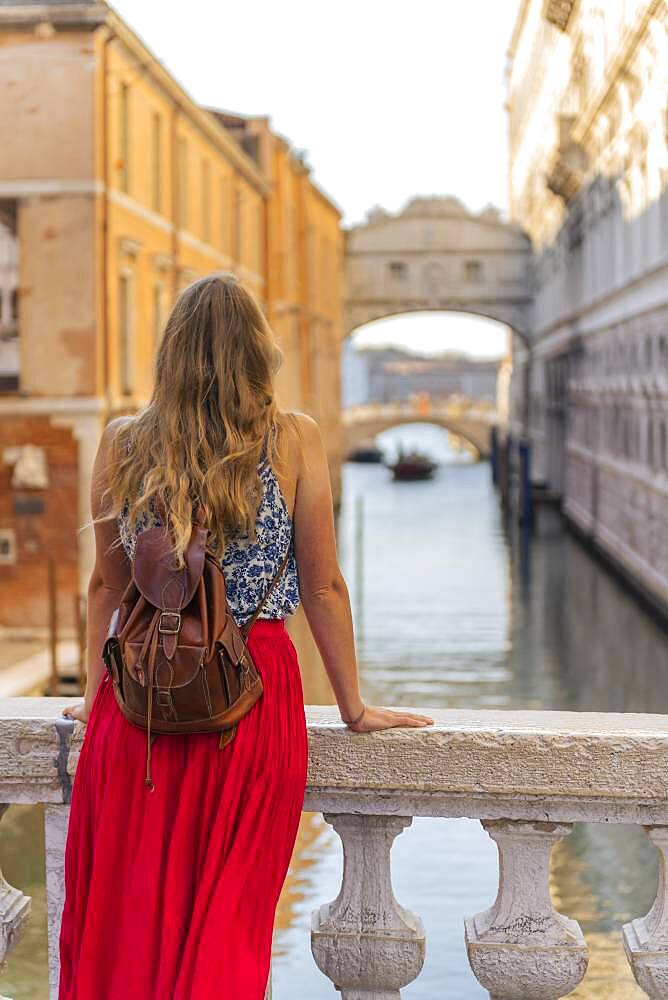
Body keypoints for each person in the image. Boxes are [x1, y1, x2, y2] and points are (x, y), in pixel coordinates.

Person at [59, 272, 433, 1000]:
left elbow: (108, 587)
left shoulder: (123, 443)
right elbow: (323, 586)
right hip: (251, 695)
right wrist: (354, 708)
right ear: (258, 353)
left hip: (138, 703)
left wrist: (89, 696)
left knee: (125, 922)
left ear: (169, 353)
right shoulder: (294, 439)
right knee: (228, 925)